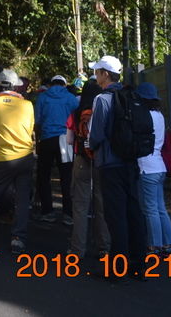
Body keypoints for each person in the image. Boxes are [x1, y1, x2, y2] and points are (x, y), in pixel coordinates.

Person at [87, 55, 148, 280]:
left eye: (97, 72)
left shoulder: (102, 99)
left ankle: (117, 269)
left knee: (116, 217)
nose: (95, 76)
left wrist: (90, 145)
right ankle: (138, 264)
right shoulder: (132, 95)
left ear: (105, 74)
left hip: (110, 164)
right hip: (131, 162)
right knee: (134, 213)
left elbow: (96, 135)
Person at [0, 68, 36, 253]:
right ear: (16, 86)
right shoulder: (27, 105)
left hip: (1, 157)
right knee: (22, 199)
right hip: (24, 157)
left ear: (0, 85)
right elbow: (29, 129)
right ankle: (18, 238)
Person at [66, 82, 110, 263]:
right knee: (102, 206)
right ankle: (104, 248)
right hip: (101, 161)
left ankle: (77, 249)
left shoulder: (76, 113)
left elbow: (69, 140)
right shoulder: (103, 111)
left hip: (81, 160)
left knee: (80, 206)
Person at [136, 82, 171, 256]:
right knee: (160, 207)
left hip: (147, 167)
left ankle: (154, 244)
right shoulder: (159, 116)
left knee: (150, 209)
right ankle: (168, 242)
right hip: (159, 165)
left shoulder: (145, 116)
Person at [35, 75, 79, 225]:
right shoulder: (71, 97)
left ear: (51, 84)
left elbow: (38, 120)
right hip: (65, 140)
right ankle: (68, 213)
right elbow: (77, 119)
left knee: (44, 176)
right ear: (64, 85)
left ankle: (48, 211)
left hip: (47, 139)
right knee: (66, 177)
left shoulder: (42, 97)